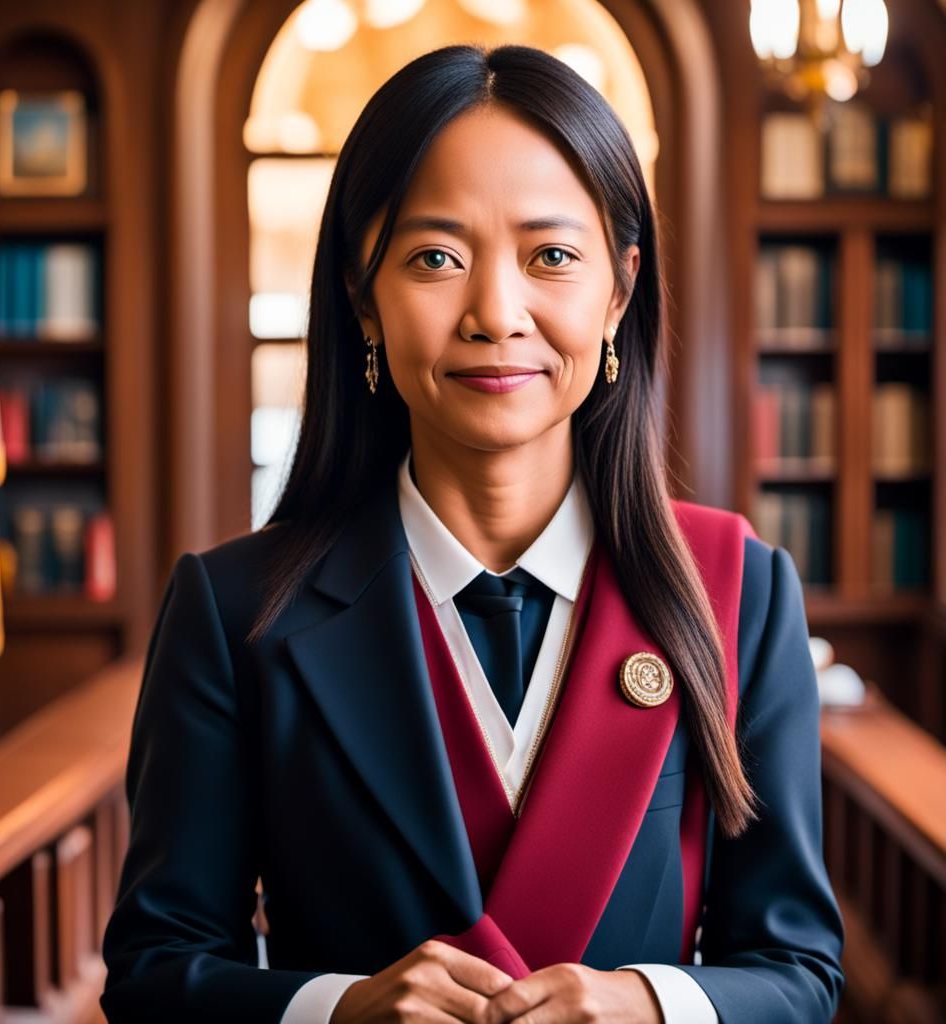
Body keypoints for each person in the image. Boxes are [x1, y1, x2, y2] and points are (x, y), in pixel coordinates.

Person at [100, 43, 844, 1024]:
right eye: (435, 258)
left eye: (551, 257)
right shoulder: (234, 609)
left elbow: (798, 970)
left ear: (619, 288)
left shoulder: (737, 590)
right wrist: (338, 1010)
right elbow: (155, 971)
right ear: (363, 292)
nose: (495, 314)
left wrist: (653, 1005)